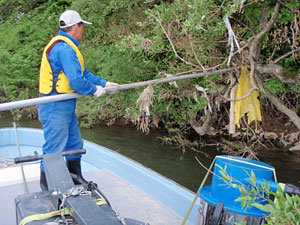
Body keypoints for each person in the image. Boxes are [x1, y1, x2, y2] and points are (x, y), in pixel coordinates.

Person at [38, 10, 118, 190]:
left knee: (74, 142)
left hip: (66, 105)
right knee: (54, 148)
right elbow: (75, 80)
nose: (83, 31)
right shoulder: (64, 49)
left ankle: (75, 176)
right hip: (54, 105)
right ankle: (48, 186)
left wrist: (105, 84)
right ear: (75, 27)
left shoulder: (69, 46)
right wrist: (93, 90)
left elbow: (84, 73)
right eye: (82, 27)